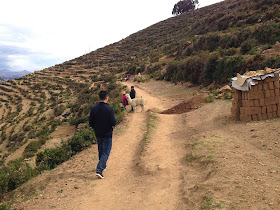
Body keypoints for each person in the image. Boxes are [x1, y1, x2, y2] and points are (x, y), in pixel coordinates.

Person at [89, 90, 116, 179]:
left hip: (98, 133)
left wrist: (95, 128)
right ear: (106, 97)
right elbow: (113, 122)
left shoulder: (94, 109)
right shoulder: (109, 109)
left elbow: (90, 122)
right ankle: (99, 170)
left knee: (101, 150)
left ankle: (103, 166)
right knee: (106, 151)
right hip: (107, 133)